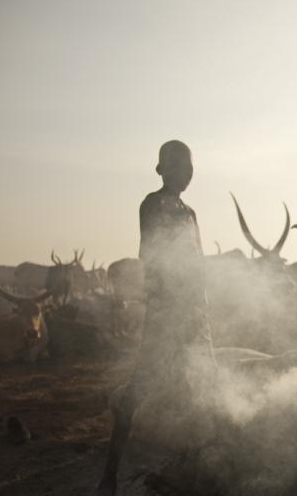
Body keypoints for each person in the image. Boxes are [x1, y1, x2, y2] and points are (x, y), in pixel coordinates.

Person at [96, 140, 215, 495]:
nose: (185, 174)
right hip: (166, 313)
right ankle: (110, 475)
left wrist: (201, 307)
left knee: (197, 390)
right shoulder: (152, 204)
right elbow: (152, 256)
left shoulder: (189, 212)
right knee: (139, 388)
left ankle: (186, 469)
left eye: (189, 168)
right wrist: (174, 298)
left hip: (193, 314)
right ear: (161, 169)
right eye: (177, 166)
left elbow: (198, 263)